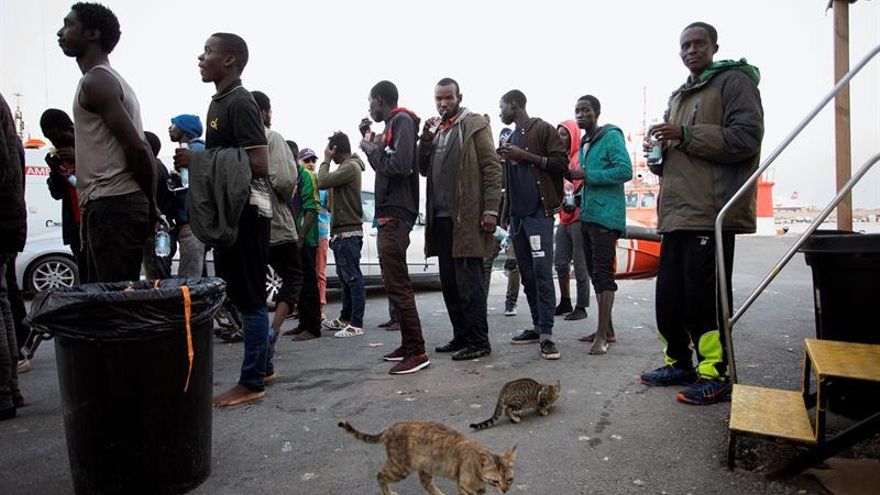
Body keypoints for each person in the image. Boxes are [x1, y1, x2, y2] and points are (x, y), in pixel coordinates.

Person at [639, 22, 763, 405]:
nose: (691, 51)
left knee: (704, 300)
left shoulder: (733, 82)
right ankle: (679, 362)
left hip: (710, 212)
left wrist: (686, 136)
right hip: (675, 213)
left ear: (714, 46)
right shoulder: (680, 95)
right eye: (685, 46)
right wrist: (658, 156)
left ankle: (716, 373)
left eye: (698, 44)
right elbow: (678, 148)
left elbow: (746, 138)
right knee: (669, 299)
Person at [174, 32, 272, 407]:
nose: (201, 58)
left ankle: (252, 382)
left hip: (247, 213)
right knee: (240, 294)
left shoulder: (240, 102)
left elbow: (259, 164)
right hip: (233, 213)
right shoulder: (217, 103)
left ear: (229, 59)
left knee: (249, 300)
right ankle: (263, 367)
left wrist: (198, 161)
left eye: (208, 52)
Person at [57, 2, 158, 284]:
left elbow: (138, 147)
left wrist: (152, 204)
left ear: (92, 34)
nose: (60, 33)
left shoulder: (97, 82)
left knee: (112, 307)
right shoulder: (107, 80)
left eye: (68, 25)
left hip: (113, 204)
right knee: (110, 302)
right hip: (113, 204)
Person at [418, 78, 501, 361]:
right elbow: (423, 170)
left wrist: (491, 209)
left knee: (469, 283)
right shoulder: (437, 130)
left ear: (459, 97)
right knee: (450, 283)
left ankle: (479, 341)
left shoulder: (475, 124)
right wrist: (424, 141)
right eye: (438, 99)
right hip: (440, 219)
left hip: (466, 219)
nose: (443, 104)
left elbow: (492, 168)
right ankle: (462, 336)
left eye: (448, 98)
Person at [359, 80, 430, 374]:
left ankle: (417, 351)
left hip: (397, 213)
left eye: (370, 103)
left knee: (398, 283)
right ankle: (407, 343)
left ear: (379, 100)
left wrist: (369, 147)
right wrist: (372, 145)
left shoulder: (401, 121)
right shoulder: (393, 125)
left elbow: (399, 166)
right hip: (391, 211)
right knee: (392, 282)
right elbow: (387, 163)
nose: (370, 109)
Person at [497, 90, 568, 360]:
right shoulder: (510, 136)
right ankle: (538, 327)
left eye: (502, 106)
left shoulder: (543, 129)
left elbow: (561, 164)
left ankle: (548, 335)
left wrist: (525, 155)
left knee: (541, 273)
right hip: (517, 219)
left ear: (514, 105)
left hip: (539, 214)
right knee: (526, 275)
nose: (500, 112)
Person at [568, 96, 632, 355]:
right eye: (577, 111)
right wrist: (576, 199)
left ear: (597, 112)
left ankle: (603, 336)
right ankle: (607, 330)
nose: (581, 115)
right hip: (588, 214)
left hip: (607, 217)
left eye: (586, 110)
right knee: (595, 273)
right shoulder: (585, 142)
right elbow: (589, 182)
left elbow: (624, 171)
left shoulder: (611, 136)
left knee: (604, 273)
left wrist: (587, 175)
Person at [250, 91, 302, 344]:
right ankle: (273, 330)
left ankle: (255, 336)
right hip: (275, 225)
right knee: (293, 277)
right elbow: (284, 182)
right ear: (264, 112)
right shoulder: (271, 138)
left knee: (253, 284)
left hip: (246, 227)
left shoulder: (233, 142)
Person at [317, 132, 367, 338]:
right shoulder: (346, 168)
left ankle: (356, 323)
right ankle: (346, 318)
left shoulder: (350, 167)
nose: (330, 154)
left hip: (348, 231)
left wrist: (326, 160)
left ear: (335, 149)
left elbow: (322, 180)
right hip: (340, 232)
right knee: (345, 278)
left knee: (353, 277)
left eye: (331, 150)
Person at [1, 91, 27, 421]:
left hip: (3, 218)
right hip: (8, 219)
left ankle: (4, 391)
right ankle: (8, 389)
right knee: (2, 301)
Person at [554, 120, 590, 322]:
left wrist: (576, 200)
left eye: (564, 134)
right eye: (558, 134)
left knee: (580, 263)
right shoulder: (561, 159)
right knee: (560, 262)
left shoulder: (581, 157)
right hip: (564, 216)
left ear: (573, 135)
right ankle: (565, 300)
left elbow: (585, 182)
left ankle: (581, 305)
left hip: (578, 217)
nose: (561, 138)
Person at [40, 109, 82, 273]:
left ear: (71, 130)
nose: (54, 142)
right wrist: (55, 170)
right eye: (49, 138)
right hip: (76, 226)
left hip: (97, 223)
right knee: (85, 275)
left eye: (57, 136)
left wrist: (79, 157)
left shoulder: (92, 147)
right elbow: (57, 194)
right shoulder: (58, 159)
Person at [168, 114, 207, 279]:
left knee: (188, 283)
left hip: (192, 225)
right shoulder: (193, 150)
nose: (170, 129)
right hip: (195, 224)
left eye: (173, 125)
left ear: (184, 129)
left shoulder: (194, 150)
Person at [290, 148, 322, 341]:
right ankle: (303, 322)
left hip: (307, 238)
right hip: (295, 236)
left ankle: (313, 327)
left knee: (309, 282)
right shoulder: (292, 177)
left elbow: (312, 208)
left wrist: (301, 238)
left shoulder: (307, 176)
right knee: (299, 281)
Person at [142, 131, 176, 280]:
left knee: (157, 277)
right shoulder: (160, 166)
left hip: (157, 231)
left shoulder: (152, 167)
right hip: (162, 230)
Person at [301, 147, 329, 323]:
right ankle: (303, 309)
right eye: (307, 160)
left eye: (313, 160)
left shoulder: (322, 184)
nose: (311, 163)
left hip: (320, 234)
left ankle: (319, 309)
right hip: (306, 234)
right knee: (305, 273)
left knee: (319, 273)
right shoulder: (301, 180)